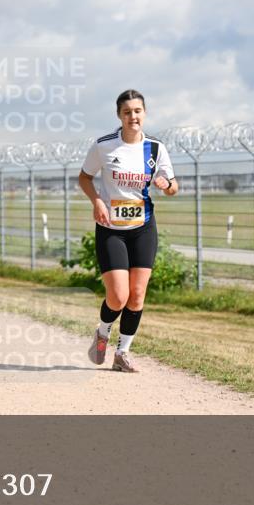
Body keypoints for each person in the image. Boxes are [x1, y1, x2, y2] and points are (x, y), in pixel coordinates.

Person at [79, 89, 178, 373]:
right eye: (127, 112)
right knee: (118, 297)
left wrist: (166, 186)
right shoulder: (104, 146)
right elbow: (84, 177)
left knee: (137, 295)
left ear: (144, 113)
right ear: (119, 116)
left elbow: (173, 186)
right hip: (111, 229)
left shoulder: (156, 149)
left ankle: (122, 353)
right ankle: (102, 332)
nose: (132, 117)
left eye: (137, 111)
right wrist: (97, 200)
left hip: (143, 227)